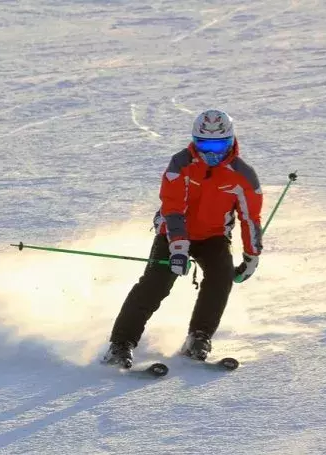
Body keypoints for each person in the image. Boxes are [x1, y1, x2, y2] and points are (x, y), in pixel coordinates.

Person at [102, 109, 263, 368]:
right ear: (194, 140)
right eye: (204, 143)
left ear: (231, 140)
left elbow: (250, 217)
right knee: (156, 284)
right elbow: (173, 209)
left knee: (221, 277)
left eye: (220, 144)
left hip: (213, 236)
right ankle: (121, 344)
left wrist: (252, 255)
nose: (212, 152)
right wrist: (178, 249)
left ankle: (199, 337)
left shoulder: (243, 175)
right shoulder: (181, 165)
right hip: (173, 232)